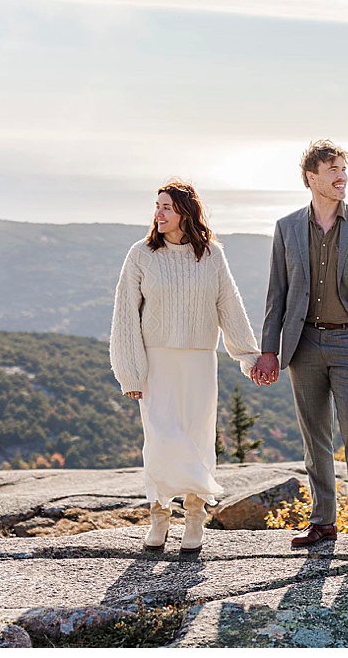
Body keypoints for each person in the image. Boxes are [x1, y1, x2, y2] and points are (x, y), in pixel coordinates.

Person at [248, 140, 348, 553]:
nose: (341, 176)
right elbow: (276, 294)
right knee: (315, 437)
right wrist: (269, 349)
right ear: (312, 177)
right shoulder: (287, 227)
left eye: (344, 168)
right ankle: (323, 523)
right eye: (332, 168)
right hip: (304, 345)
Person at [110, 181, 263, 551]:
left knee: (196, 437)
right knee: (160, 438)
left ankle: (194, 516)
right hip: (156, 360)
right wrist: (130, 370)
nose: (158, 214)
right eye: (157, 206)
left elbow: (229, 304)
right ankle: (159, 514)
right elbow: (125, 314)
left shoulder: (211, 255)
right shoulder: (141, 253)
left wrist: (249, 356)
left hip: (198, 361)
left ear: (185, 212)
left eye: (166, 207)